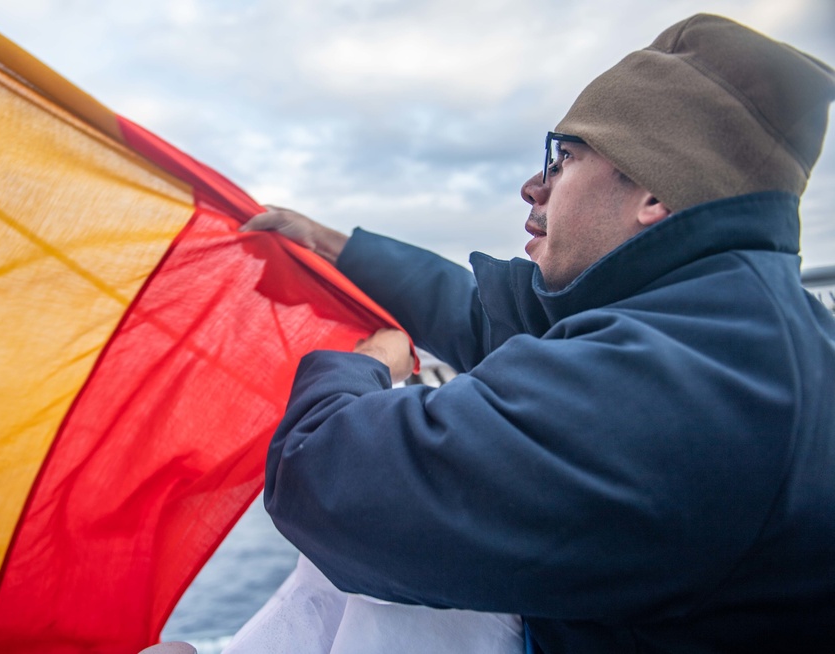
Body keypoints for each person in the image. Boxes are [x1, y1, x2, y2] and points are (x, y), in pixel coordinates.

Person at [239, 13, 835, 653]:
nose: (533, 187)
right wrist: (339, 249)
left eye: (564, 158)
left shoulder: (679, 380)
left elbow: (325, 484)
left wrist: (367, 368)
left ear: (654, 194)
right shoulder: (732, 320)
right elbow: (491, 318)